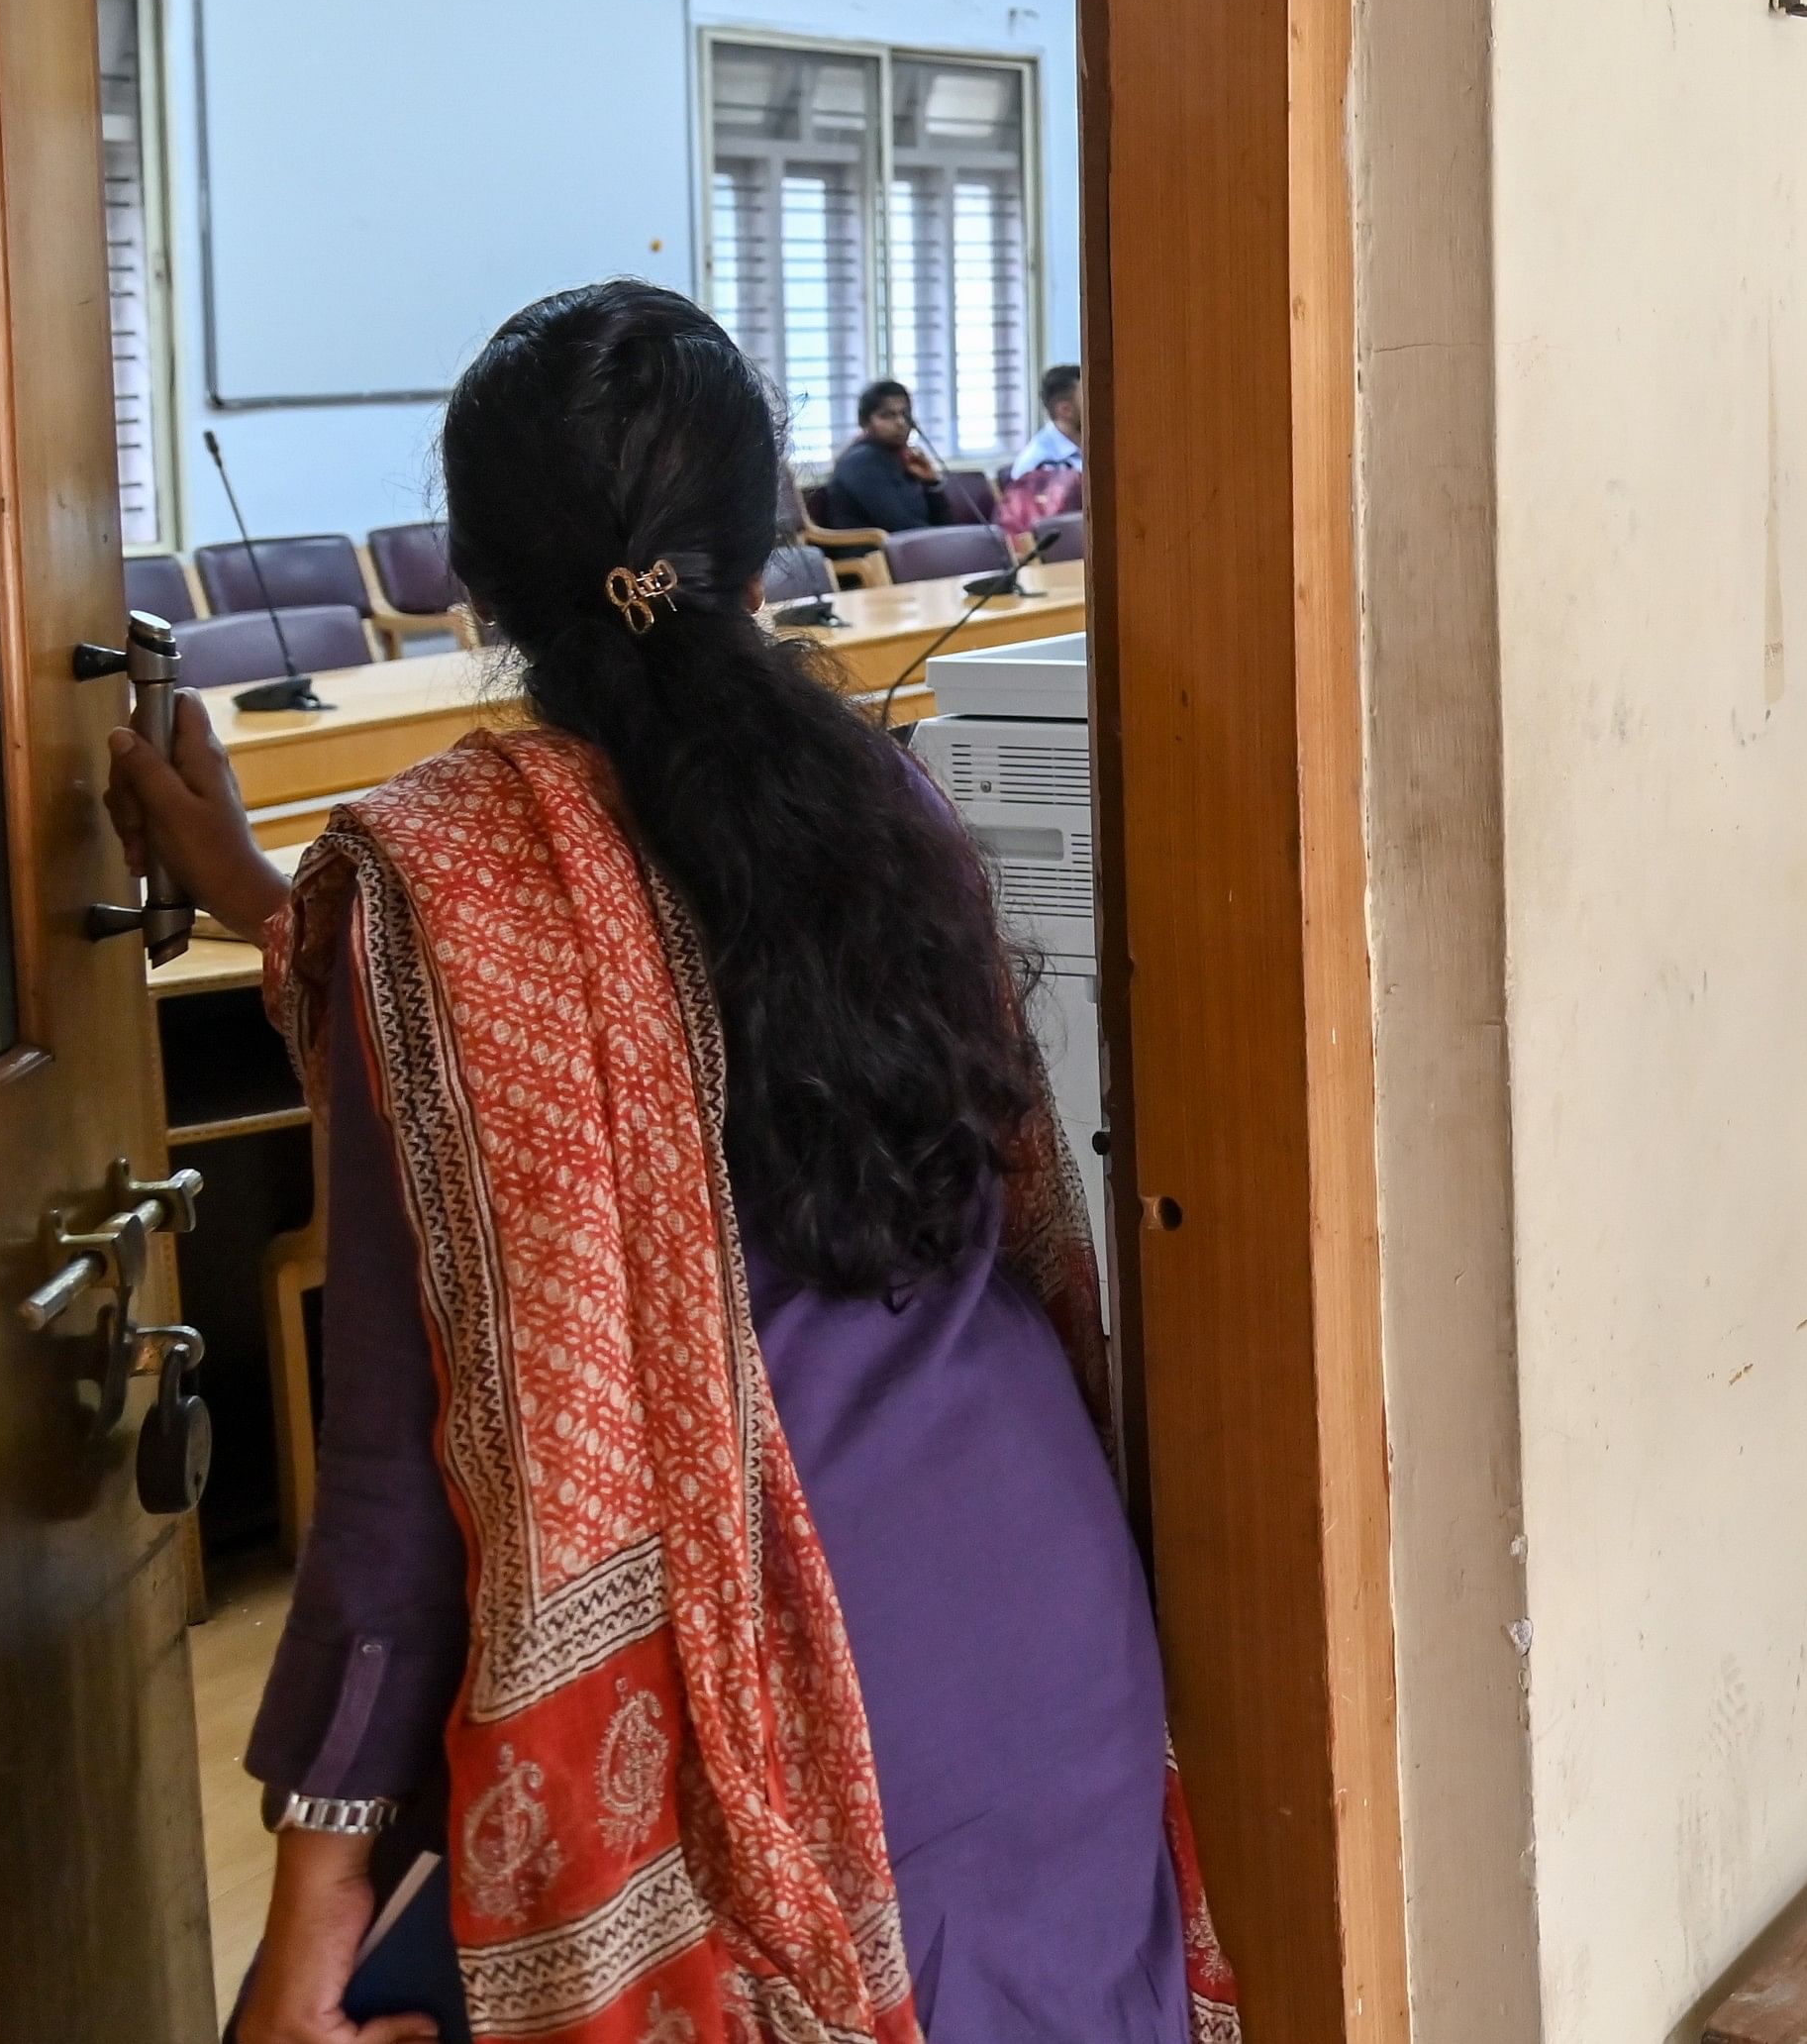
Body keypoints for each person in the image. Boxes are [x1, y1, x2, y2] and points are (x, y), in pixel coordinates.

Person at [106, 282, 1232, 2044]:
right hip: (1043, 1639)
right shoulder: (882, 804)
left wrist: (305, 1938)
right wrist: (267, 895)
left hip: (778, 1723)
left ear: (473, 580)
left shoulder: (446, 894)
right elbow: (628, 988)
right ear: (764, 528)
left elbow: (402, 1480)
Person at [822, 376, 952, 532]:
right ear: (864, 422)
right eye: (887, 415)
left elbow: (945, 524)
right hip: (870, 553)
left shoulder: (903, 459)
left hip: (909, 547)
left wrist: (932, 483)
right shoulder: (861, 461)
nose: (900, 422)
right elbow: (899, 524)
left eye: (905, 414)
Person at [1001, 363, 1087, 537]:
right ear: (1065, 410)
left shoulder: (1101, 446)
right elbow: (1026, 530)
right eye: (1089, 398)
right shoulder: (1035, 461)